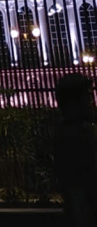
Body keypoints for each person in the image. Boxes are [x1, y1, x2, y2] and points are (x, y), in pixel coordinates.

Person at [52, 73, 97, 226]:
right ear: (75, 102)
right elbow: (77, 190)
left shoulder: (70, 131)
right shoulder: (73, 136)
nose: (91, 102)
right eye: (88, 97)